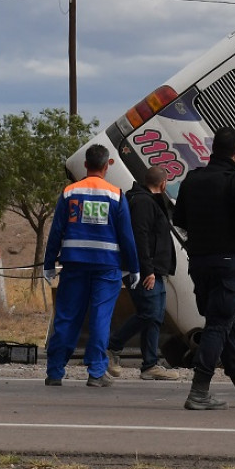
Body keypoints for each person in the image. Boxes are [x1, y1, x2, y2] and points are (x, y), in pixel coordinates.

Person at [173, 126, 235, 410]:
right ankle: (199, 391)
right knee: (218, 324)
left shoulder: (192, 180)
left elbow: (180, 220)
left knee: (224, 323)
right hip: (228, 263)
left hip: (199, 263)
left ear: (213, 151)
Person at [43, 144, 140, 388]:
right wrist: (133, 267)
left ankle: (55, 371)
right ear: (107, 166)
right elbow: (127, 236)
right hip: (107, 267)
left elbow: (56, 232)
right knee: (100, 318)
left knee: (67, 317)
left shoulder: (69, 193)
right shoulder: (116, 195)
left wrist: (48, 264)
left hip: (74, 264)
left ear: (86, 165)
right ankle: (96, 372)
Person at [106, 165, 178, 381]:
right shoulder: (143, 202)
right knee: (149, 312)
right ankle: (112, 346)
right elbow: (141, 237)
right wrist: (148, 270)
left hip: (154, 269)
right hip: (145, 270)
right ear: (163, 183)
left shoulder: (147, 201)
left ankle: (150, 365)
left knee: (154, 316)